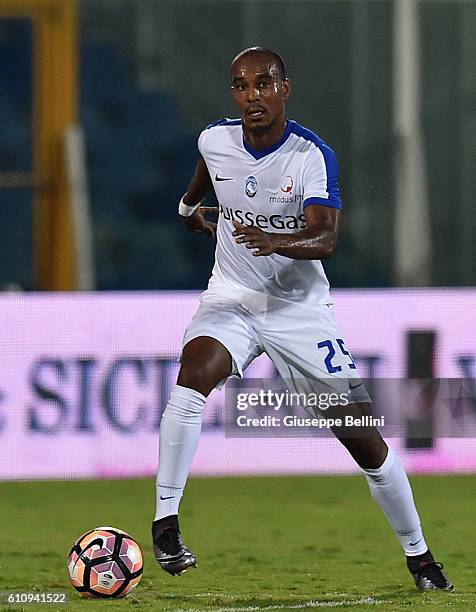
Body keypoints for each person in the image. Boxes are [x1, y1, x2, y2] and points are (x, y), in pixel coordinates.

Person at [151, 47, 453, 592]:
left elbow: (327, 238)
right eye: (241, 87)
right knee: (191, 377)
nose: (252, 97)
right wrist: (186, 209)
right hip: (234, 297)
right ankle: (166, 523)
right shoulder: (215, 139)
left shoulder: (311, 155)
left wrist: (274, 240)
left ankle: (422, 558)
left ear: (284, 88)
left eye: (263, 84)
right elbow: (204, 181)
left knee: (364, 441)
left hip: (299, 310)